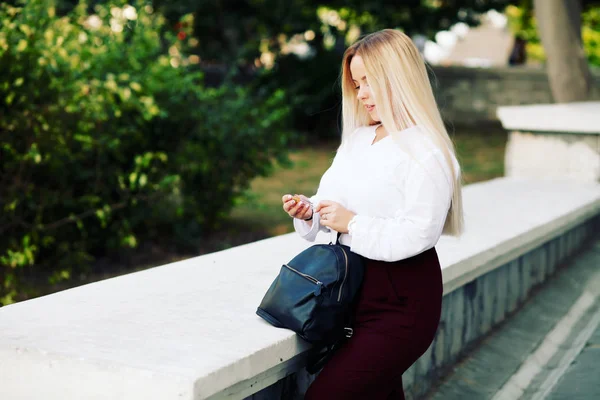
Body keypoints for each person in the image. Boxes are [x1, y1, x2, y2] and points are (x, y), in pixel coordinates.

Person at [281, 29, 464, 399]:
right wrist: (309, 210)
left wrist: (351, 222)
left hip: (401, 303)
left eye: (369, 82)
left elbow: (419, 233)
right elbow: (331, 200)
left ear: (399, 79)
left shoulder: (428, 151)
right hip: (349, 295)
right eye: (356, 83)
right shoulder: (359, 140)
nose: (361, 94)